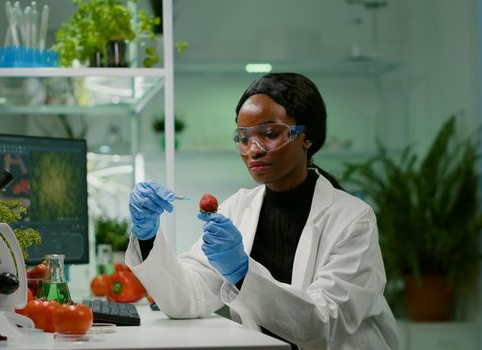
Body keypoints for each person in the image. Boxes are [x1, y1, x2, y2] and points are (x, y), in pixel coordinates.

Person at [125, 73, 399, 350]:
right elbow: (185, 301)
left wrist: (242, 273)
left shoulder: (353, 219)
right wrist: (147, 235)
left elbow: (323, 324)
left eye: (270, 134)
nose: (253, 150)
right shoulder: (237, 208)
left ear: (307, 137)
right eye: (243, 138)